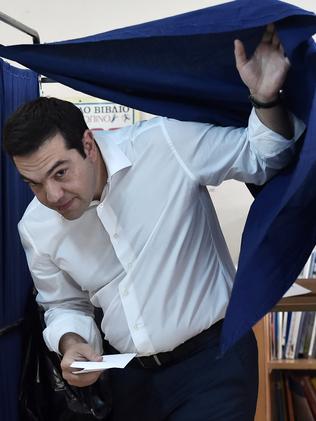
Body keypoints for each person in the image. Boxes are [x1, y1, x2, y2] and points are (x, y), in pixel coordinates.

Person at [3, 24, 305, 420]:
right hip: (129, 379)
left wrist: (265, 100)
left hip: (212, 365)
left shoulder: (164, 146)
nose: (52, 196)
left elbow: (263, 159)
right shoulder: (36, 227)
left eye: (60, 173)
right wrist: (72, 341)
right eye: (34, 184)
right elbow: (63, 302)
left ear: (88, 145)